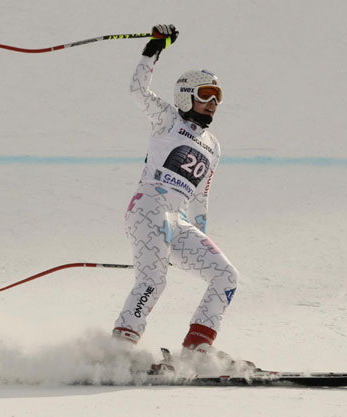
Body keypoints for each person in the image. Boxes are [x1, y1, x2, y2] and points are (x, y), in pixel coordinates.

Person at [112, 24, 239, 356]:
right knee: (153, 281)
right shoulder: (167, 120)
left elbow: (201, 195)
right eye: (206, 95)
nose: (213, 103)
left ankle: (197, 350)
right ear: (187, 95)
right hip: (149, 207)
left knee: (225, 275)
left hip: (177, 220)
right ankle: (119, 351)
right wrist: (153, 49)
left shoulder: (213, 145)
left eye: (217, 97)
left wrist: (197, 236)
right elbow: (137, 90)